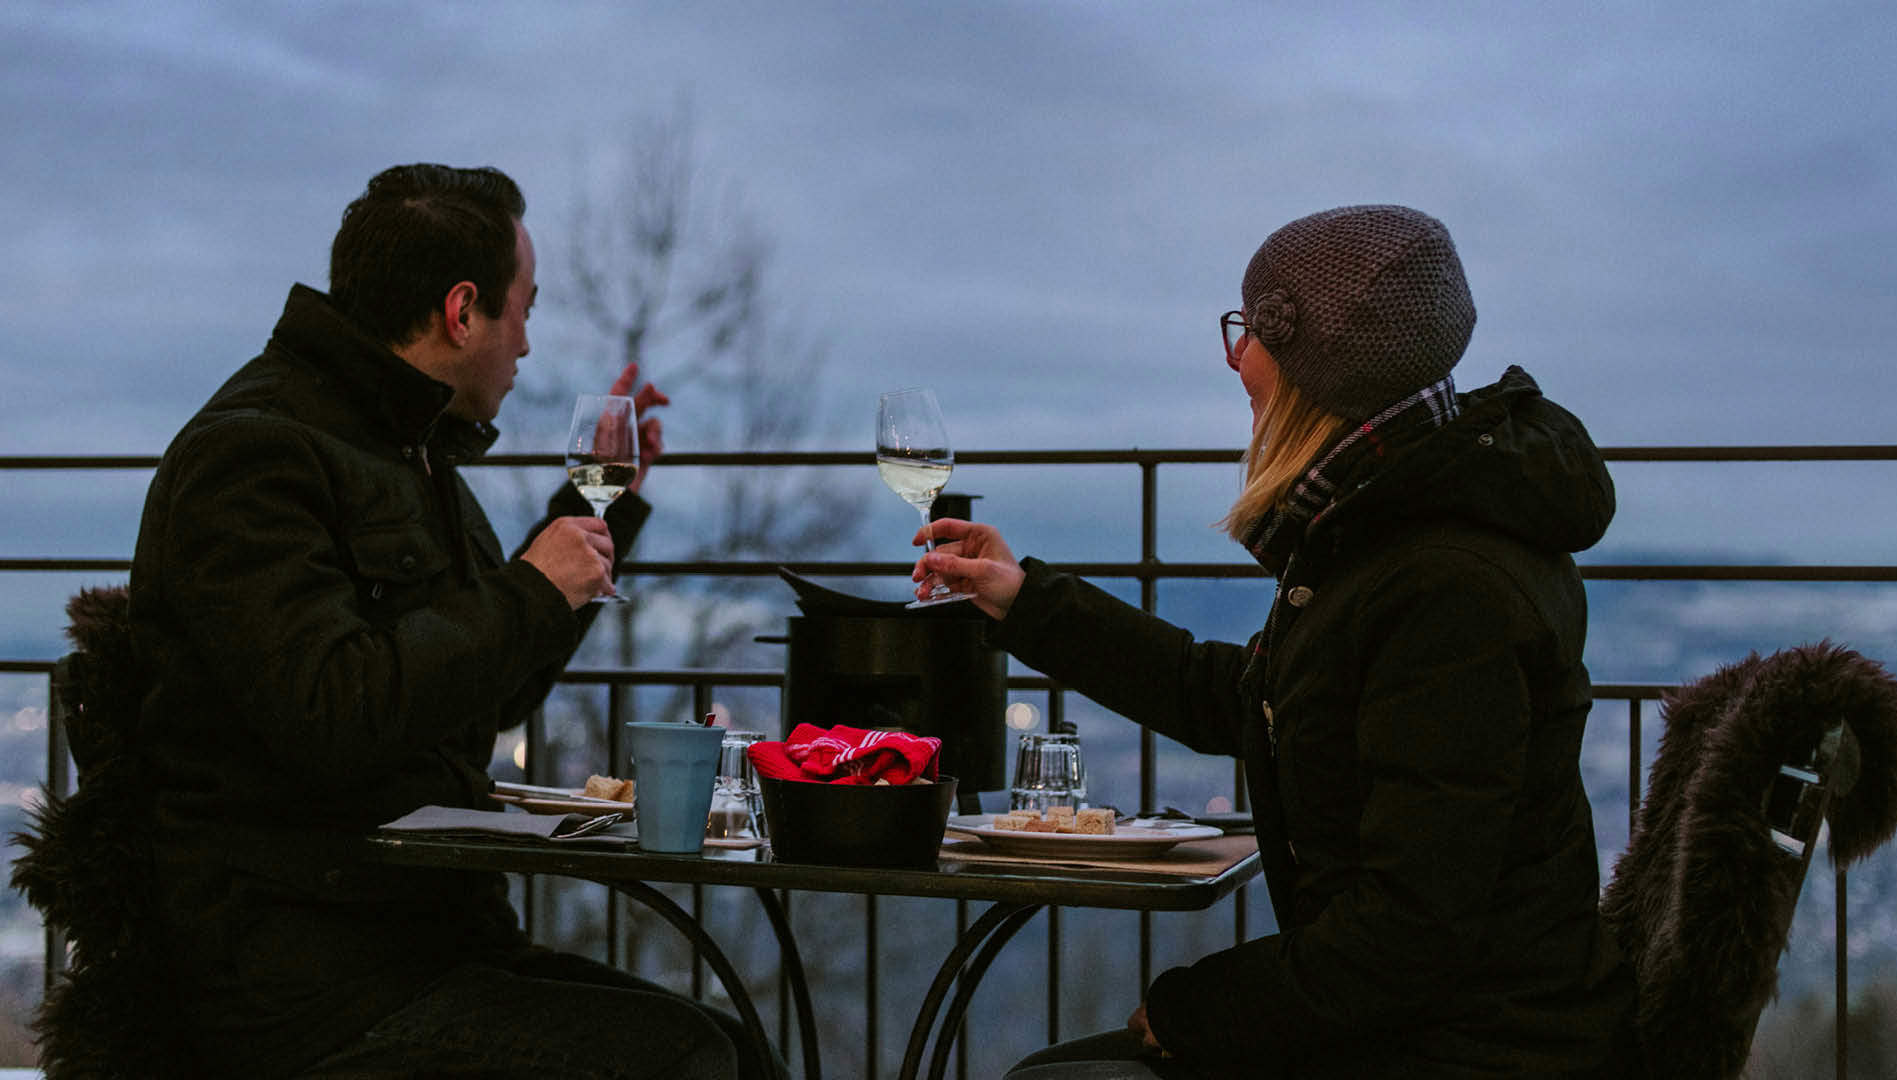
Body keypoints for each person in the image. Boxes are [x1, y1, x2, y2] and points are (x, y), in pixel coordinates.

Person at [914, 206, 1633, 1078]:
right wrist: (1025, 601)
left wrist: (1198, 1011)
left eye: (1247, 330)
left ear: (1316, 364)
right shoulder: (1399, 528)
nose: (1233, 360)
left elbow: (1411, 935)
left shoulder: (1443, 583)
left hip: (1468, 1049)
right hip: (1431, 1024)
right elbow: (1242, 696)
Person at [127, 164, 776, 1078]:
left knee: (737, 1049)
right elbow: (332, 709)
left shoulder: (410, 455)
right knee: (685, 1060)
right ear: (463, 311)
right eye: (525, 311)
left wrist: (597, 509)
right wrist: (528, 586)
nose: (527, 347)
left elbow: (495, 683)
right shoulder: (256, 454)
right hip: (305, 986)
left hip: (427, 941)